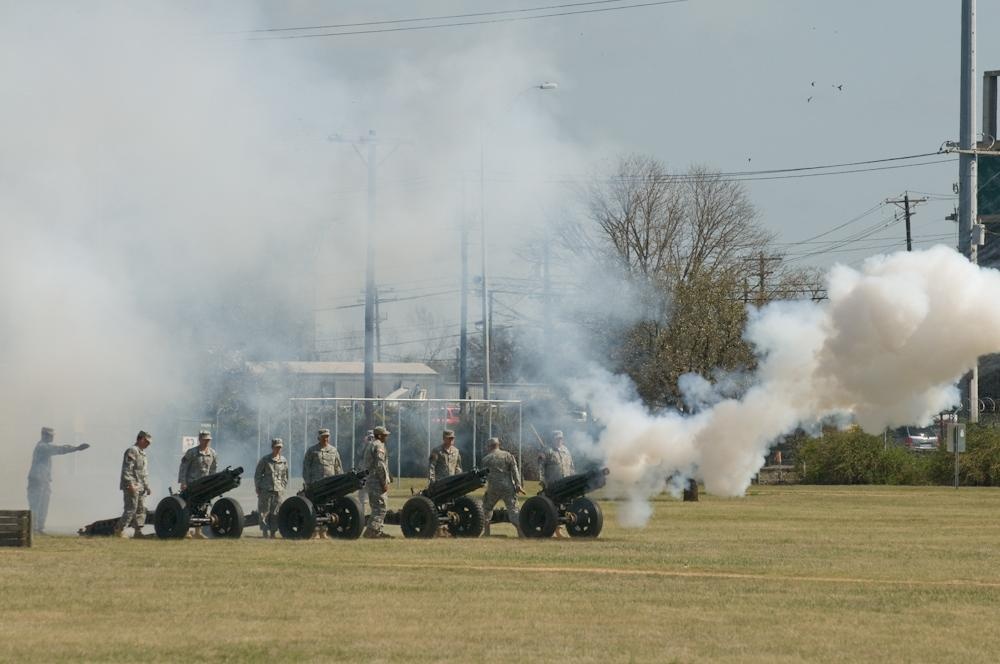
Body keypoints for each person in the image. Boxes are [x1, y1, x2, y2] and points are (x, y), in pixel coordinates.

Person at [26, 426, 90, 533]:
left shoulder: (45, 447)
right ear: (44, 435)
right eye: (50, 435)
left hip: (44, 481)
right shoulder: (42, 447)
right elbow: (59, 449)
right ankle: (33, 529)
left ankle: (39, 528)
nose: (52, 437)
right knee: (36, 506)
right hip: (36, 480)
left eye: (53, 435)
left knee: (44, 506)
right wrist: (76, 448)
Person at [302, 429, 343, 539]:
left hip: (330, 483)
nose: (326, 438)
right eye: (323, 436)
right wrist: (308, 482)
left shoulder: (333, 450)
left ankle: (324, 531)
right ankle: (315, 531)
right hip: (316, 484)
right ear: (319, 437)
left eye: (327, 436)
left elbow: (338, 467)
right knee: (315, 507)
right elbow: (306, 467)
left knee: (328, 508)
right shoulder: (312, 451)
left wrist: (340, 481)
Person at [480, 438, 524, 537]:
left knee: (486, 508)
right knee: (513, 510)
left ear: (489, 446)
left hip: (493, 488)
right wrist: (518, 484)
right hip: (507, 487)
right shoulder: (508, 455)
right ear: (498, 444)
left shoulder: (486, 459)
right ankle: (521, 533)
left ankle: (486, 533)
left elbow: (484, 475)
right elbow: (515, 470)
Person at [177, 430, 218, 538]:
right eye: (204, 439)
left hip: (205, 485)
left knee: (203, 507)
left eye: (208, 440)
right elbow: (183, 468)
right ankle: (185, 530)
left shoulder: (212, 453)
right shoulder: (192, 452)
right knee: (188, 507)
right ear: (200, 439)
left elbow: (213, 470)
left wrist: (213, 483)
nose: (206, 442)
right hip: (192, 484)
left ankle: (198, 532)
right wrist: (183, 482)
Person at [115, 431, 152, 538]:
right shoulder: (132, 451)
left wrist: (147, 486)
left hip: (140, 486)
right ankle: (119, 530)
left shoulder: (142, 453)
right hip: (132, 486)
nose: (148, 444)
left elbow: (143, 472)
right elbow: (127, 469)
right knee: (131, 509)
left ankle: (138, 531)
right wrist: (130, 484)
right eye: (146, 442)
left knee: (141, 510)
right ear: (140, 439)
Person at [538, 430, 575, 538]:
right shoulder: (547, 451)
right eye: (557, 438)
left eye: (561, 438)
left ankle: (558, 529)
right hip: (553, 483)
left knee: (564, 507)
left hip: (566, 483)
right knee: (553, 507)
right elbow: (541, 467)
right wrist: (542, 480)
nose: (559, 440)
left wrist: (573, 478)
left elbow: (571, 467)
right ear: (552, 439)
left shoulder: (566, 450)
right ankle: (552, 529)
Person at [362, 425, 393, 539]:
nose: (386, 437)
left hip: (372, 480)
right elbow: (380, 466)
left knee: (377, 506)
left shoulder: (373, 445)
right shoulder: (378, 446)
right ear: (379, 435)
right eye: (385, 435)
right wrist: (383, 482)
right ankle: (372, 531)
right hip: (376, 481)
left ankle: (377, 530)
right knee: (380, 507)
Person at [254, 438, 288, 539]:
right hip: (266, 489)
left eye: (280, 447)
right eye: (276, 447)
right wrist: (258, 487)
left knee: (275, 512)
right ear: (272, 447)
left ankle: (273, 532)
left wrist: (282, 487)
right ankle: (265, 532)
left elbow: (285, 476)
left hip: (278, 491)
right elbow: (258, 475)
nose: (278, 449)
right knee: (264, 511)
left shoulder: (283, 461)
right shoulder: (265, 460)